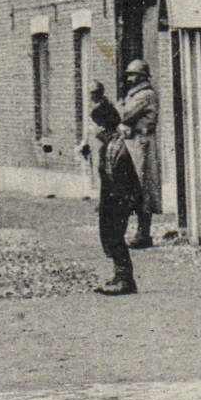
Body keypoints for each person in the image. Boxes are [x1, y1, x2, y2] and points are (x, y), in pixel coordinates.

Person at [85, 87, 140, 295]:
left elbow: (120, 180)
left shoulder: (116, 148)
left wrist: (120, 202)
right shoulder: (108, 146)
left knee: (115, 236)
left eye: (96, 126)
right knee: (109, 236)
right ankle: (119, 275)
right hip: (111, 199)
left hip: (119, 200)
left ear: (103, 126)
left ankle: (125, 279)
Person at [117, 60, 162, 247]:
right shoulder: (135, 94)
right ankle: (139, 232)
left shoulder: (145, 95)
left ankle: (144, 234)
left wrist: (119, 107)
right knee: (134, 186)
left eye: (133, 75)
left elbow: (124, 114)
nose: (129, 78)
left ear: (142, 76)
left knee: (142, 187)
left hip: (142, 143)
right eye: (128, 74)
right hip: (134, 142)